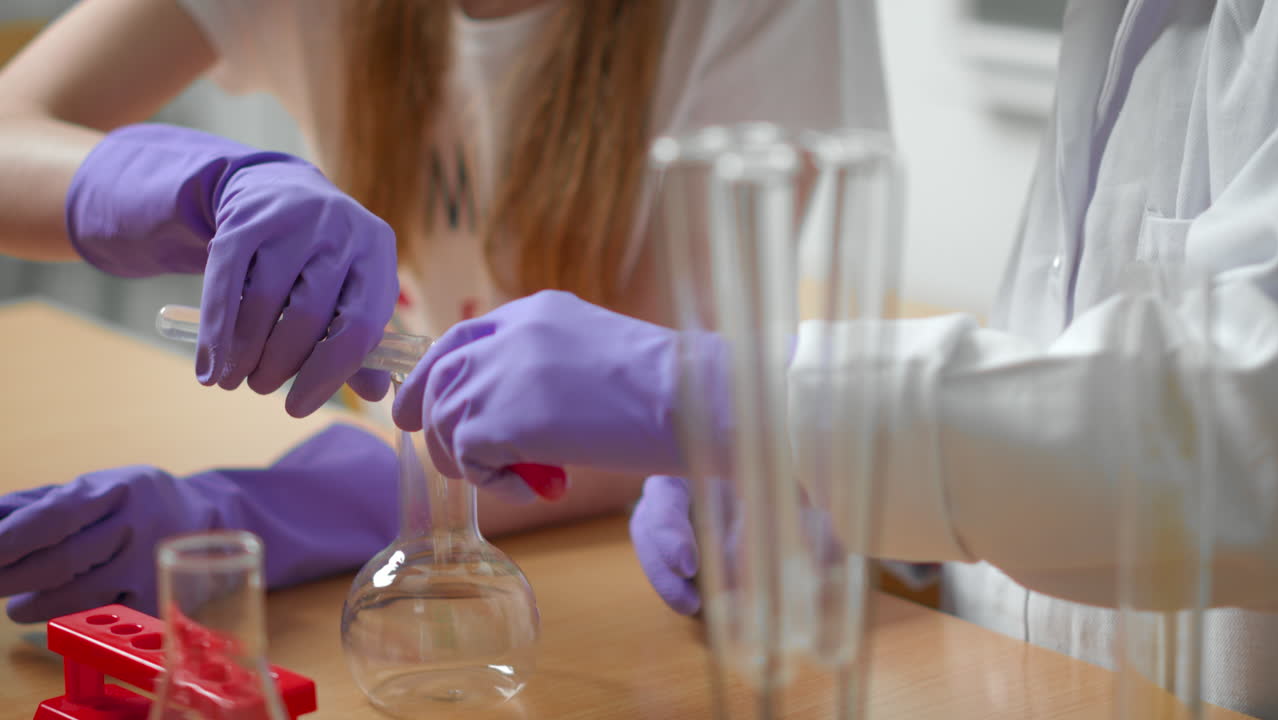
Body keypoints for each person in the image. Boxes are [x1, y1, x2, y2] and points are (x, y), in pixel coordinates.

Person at [389, 1, 1278, 716]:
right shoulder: (1111, 23)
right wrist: (844, 517)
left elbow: (1243, 437)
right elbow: (1080, 406)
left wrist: (744, 401)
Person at [0, 0, 888, 620]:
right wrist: (186, 188)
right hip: (414, 544)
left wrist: (264, 512)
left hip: (607, 572)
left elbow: (649, 411)